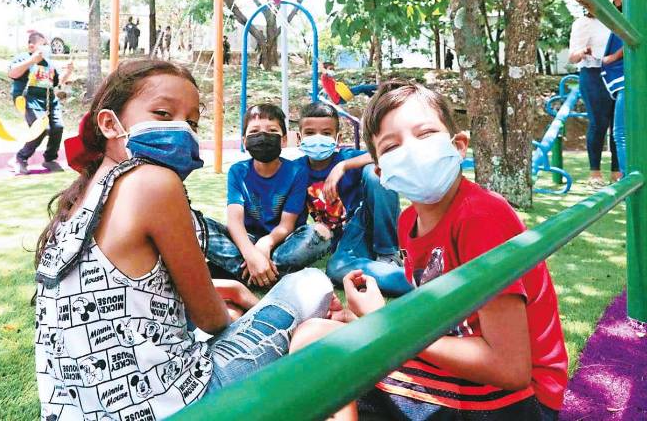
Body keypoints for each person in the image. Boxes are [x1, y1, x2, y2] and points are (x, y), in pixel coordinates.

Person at [35, 59, 334, 420]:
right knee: (310, 282)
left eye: (191, 123)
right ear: (109, 123)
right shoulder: (155, 181)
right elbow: (211, 320)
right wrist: (236, 306)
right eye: (163, 114)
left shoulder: (79, 200)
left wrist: (234, 290)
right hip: (184, 406)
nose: (181, 129)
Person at [291, 80, 568, 420]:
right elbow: (447, 324)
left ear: (459, 146)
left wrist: (383, 324)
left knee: (320, 354)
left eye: (425, 134)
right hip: (469, 377)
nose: (412, 151)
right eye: (392, 146)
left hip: (521, 400)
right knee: (315, 335)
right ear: (381, 173)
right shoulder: (409, 223)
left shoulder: (481, 217)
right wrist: (361, 321)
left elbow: (510, 368)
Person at [203, 104, 331, 287]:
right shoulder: (238, 171)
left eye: (272, 130)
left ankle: (242, 271)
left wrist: (266, 243)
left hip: (282, 243)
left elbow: (287, 225)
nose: (263, 136)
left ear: (284, 140)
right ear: (244, 141)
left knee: (319, 232)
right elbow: (234, 222)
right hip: (246, 241)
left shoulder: (296, 172)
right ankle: (263, 272)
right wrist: (251, 253)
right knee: (195, 224)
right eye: (254, 131)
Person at [295, 101, 411, 296]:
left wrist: (343, 166)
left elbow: (386, 155)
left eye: (326, 133)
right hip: (349, 241)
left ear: (337, 138)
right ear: (299, 137)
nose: (318, 138)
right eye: (310, 133)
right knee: (337, 269)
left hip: (366, 220)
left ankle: (388, 254)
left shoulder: (346, 157)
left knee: (376, 172)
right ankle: (417, 279)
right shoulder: (296, 170)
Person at [568, 0, 620, 187]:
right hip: (593, 74)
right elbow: (573, 56)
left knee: (618, 124)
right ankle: (595, 172)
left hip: (617, 73)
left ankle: (617, 172)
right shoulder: (584, 23)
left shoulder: (619, 20)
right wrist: (584, 51)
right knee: (599, 123)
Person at [8, 31, 73, 174]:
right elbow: (12, 73)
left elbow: (56, 82)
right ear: (31, 46)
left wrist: (67, 73)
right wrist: (32, 61)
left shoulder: (49, 64)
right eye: (43, 45)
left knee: (57, 127)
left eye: (47, 45)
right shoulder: (24, 58)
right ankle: (20, 158)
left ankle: (50, 159)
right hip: (29, 99)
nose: (47, 48)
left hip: (49, 100)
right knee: (41, 129)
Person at [601, 0, 626, 174]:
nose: (612, 0)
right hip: (627, 80)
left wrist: (613, 57)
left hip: (627, 80)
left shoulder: (631, 14)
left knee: (621, 134)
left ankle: (629, 179)